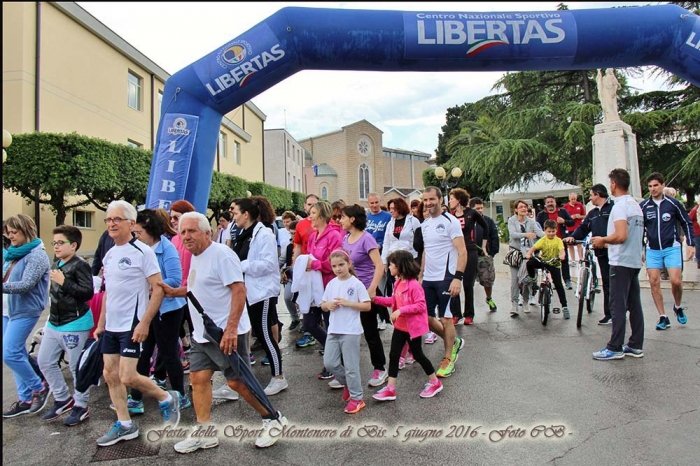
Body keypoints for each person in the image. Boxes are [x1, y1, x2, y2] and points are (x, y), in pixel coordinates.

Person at [164, 212, 288, 452]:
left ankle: (273, 418)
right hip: (203, 334)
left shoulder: (221, 255)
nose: (186, 236)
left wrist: (231, 330)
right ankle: (205, 432)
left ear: (207, 232)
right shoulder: (196, 256)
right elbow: (198, 289)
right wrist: (174, 292)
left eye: (192, 231)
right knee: (198, 379)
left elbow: (239, 290)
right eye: (183, 232)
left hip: (226, 333)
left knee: (237, 383)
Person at [94, 200, 180, 447]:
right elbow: (108, 292)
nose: (111, 223)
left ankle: (166, 398)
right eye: (108, 219)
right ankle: (125, 425)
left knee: (129, 376)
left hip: (133, 324)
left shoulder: (144, 252)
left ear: (132, 224)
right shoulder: (109, 254)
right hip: (112, 325)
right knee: (110, 375)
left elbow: (159, 289)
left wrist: (144, 323)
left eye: (117, 219)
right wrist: (101, 323)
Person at [127, 209, 190, 413]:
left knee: (169, 351)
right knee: (143, 352)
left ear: (151, 230)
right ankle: (136, 397)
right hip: (147, 309)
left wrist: (152, 285)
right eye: (135, 233)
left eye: (140, 233)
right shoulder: (136, 249)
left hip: (168, 310)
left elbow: (174, 279)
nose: (137, 237)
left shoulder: (167, 248)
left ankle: (180, 395)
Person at [37, 225, 94, 425]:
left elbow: (88, 292)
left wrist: (64, 282)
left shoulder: (80, 265)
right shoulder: (57, 262)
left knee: (77, 367)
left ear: (74, 245)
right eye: (54, 243)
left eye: (61, 243)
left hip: (75, 322)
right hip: (54, 322)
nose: (57, 246)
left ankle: (81, 404)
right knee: (45, 361)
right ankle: (62, 398)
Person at [231, 198, 288, 396]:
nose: (233, 216)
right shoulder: (243, 234)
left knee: (265, 336)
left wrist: (242, 265)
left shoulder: (264, 234)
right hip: (248, 291)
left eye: (236, 212)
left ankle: (279, 377)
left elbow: (268, 264)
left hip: (261, 293)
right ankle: (239, 379)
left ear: (246, 214)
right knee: (249, 334)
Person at [372, 250, 443, 401]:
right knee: (393, 355)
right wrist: (375, 299)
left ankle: (435, 382)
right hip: (400, 327)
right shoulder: (398, 282)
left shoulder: (414, 285)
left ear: (400, 266)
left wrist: (400, 311)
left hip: (412, 328)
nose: (389, 268)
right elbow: (393, 301)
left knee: (418, 354)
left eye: (391, 265)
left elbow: (421, 306)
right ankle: (391, 388)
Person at [591, 168, 645, 360]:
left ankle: (615, 347)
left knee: (617, 305)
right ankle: (635, 344)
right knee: (634, 304)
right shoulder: (635, 205)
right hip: (632, 261)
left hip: (620, 261)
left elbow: (621, 235)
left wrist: (603, 240)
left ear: (613, 184)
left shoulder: (620, 206)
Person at [2, 214, 51, 418]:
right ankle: (25, 398)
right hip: (8, 310)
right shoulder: (13, 254)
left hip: (26, 310)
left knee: (10, 353)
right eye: (8, 232)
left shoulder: (37, 255)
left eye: (14, 232)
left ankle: (38, 387)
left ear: (26, 230)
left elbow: (26, 284)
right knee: (16, 354)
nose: (10, 236)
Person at [419, 187, 467, 378]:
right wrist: (421, 275)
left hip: (447, 277)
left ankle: (448, 359)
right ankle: (453, 341)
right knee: (427, 319)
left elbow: (462, 251)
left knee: (446, 318)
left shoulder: (451, 221)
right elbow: (426, 251)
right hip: (428, 278)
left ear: (440, 199)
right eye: (425, 200)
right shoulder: (425, 224)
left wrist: (458, 277)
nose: (428, 203)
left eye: (432, 199)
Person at [339, 204, 389, 387]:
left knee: (370, 332)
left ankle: (380, 369)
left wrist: (373, 288)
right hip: (351, 291)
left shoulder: (367, 238)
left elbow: (379, 265)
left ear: (352, 219)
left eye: (343, 217)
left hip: (367, 291)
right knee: (348, 332)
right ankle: (345, 372)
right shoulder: (345, 239)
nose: (340, 220)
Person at [639, 172, 695, 330]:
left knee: (676, 281)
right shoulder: (643, 206)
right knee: (653, 281)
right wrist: (640, 249)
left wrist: (691, 244)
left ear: (663, 185)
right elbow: (639, 229)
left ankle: (677, 306)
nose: (653, 189)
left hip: (672, 247)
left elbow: (686, 223)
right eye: (650, 186)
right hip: (652, 249)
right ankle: (663, 317)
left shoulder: (673, 203)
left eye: (656, 185)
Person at [320, 249, 371, 414]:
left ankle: (357, 398)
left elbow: (367, 305)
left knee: (351, 367)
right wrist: (327, 306)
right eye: (334, 266)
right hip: (333, 330)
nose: (338, 269)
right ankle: (349, 385)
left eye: (341, 265)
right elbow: (323, 304)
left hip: (351, 331)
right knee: (330, 363)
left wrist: (349, 303)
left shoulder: (356, 283)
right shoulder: (331, 283)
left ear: (349, 264)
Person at [300, 201, 343, 380]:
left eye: (313, 213)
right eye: (309, 213)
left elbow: (335, 263)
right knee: (309, 324)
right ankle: (332, 356)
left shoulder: (334, 236)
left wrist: (314, 264)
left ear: (323, 215)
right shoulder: (312, 237)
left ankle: (333, 363)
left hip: (329, 287)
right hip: (314, 288)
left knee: (331, 326)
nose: (310, 216)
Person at [564, 184, 614, 324]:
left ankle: (620, 310)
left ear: (598, 195)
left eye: (591, 195)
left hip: (615, 251)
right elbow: (583, 227)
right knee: (607, 282)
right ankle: (609, 313)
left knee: (615, 282)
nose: (590, 198)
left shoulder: (613, 208)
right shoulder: (592, 213)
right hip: (601, 252)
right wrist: (573, 237)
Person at [448, 188, 489, 325]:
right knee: (454, 282)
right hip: (455, 252)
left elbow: (485, 226)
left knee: (467, 284)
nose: (449, 201)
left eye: (452, 198)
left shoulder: (471, 213)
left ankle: (469, 314)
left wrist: (483, 245)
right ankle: (456, 314)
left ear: (459, 199)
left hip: (470, 250)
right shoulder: (450, 215)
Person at [523, 219, 569, 318]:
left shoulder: (558, 240)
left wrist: (562, 255)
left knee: (558, 285)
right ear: (544, 231)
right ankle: (532, 277)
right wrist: (528, 254)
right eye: (549, 231)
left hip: (554, 264)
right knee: (530, 263)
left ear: (556, 230)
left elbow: (562, 250)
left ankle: (565, 307)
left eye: (553, 231)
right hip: (543, 262)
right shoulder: (543, 240)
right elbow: (533, 248)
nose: (551, 233)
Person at [508, 200, 544, 317]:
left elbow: (539, 233)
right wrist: (526, 235)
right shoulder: (512, 220)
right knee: (515, 279)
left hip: (528, 253)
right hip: (515, 252)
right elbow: (512, 234)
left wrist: (551, 236)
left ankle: (526, 301)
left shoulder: (531, 222)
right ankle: (514, 303)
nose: (523, 209)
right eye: (521, 207)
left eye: (525, 207)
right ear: (516, 210)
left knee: (526, 279)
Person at [170, 200, 196, 354]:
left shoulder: (195, 239)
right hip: (178, 291)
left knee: (196, 328)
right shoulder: (173, 240)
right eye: (171, 218)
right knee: (176, 327)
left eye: (176, 217)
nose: (173, 221)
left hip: (191, 291)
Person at [366, 193, 393, 328]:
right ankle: (376, 316)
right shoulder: (366, 217)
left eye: (377, 202)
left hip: (381, 253)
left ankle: (383, 317)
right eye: (372, 203)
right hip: (367, 255)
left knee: (380, 286)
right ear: (368, 204)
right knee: (371, 286)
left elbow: (389, 235)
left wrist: (380, 244)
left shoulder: (387, 217)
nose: (375, 205)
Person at [537, 195, 575, 289]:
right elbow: (537, 227)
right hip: (547, 243)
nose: (550, 203)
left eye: (551, 201)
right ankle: (553, 281)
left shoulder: (562, 212)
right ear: (545, 204)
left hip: (561, 240)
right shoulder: (541, 214)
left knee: (564, 261)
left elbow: (572, 222)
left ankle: (567, 280)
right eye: (548, 202)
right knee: (550, 262)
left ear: (555, 202)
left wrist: (564, 221)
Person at [470, 197, 499, 313]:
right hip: (470, 256)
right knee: (469, 283)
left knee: (487, 280)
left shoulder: (488, 221)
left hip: (484, 257)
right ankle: (469, 305)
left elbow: (494, 237)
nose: (480, 210)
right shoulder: (468, 221)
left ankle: (489, 298)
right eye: (477, 208)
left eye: (481, 208)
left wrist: (491, 253)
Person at [563, 192, 586, 261]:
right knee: (570, 245)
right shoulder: (565, 207)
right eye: (572, 199)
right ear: (569, 199)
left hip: (578, 227)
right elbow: (563, 218)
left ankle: (581, 258)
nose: (574, 201)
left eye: (575, 199)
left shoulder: (580, 205)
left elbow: (585, 216)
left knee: (579, 244)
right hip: (569, 228)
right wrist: (570, 217)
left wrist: (580, 216)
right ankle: (573, 260)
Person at [690, 203, 700, 269]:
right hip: (697, 233)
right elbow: (689, 219)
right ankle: (699, 262)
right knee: (698, 248)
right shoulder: (695, 209)